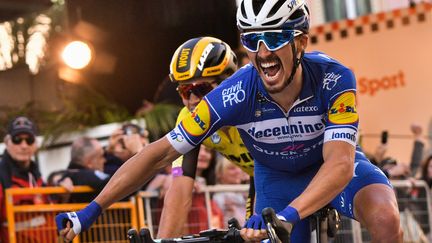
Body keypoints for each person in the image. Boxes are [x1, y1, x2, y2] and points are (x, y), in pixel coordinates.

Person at [56, 1, 403, 242]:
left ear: (301, 42)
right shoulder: (232, 94)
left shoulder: (334, 77)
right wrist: (92, 209)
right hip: (275, 177)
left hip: (328, 167)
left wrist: (291, 215)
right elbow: (160, 156)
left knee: (387, 220)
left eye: (276, 38)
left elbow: (341, 164)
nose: (264, 52)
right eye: (253, 40)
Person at [156, 36, 256, 237]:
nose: (192, 101)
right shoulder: (189, 118)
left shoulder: (251, 102)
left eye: (200, 89)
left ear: (225, 83)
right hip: (259, 178)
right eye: (185, 91)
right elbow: (180, 187)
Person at [0, 116, 52, 242]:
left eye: (29, 140)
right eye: (17, 140)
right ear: (7, 143)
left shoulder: (36, 176)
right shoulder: (2, 176)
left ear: (35, 145)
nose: (24, 146)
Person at [49, 136, 109, 203]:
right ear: (89, 162)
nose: (104, 160)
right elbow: (114, 184)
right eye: (101, 156)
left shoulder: (66, 177)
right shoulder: (88, 176)